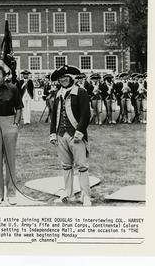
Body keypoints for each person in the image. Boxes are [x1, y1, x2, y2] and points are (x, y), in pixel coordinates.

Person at [50, 65, 92, 206]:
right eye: (61, 78)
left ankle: (85, 195)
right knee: (66, 166)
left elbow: (86, 114)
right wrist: (52, 133)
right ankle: (69, 194)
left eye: (66, 77)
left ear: (71, 78)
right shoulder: (58, 94)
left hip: (76, 134)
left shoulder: (81, 92)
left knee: (82, 166)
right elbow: (54, 115)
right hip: (61, 134)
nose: (63, 80)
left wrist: (79, 132)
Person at [0, 64, 24, 206]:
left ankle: (11, 193)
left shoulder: (13, 88)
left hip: (10, 124)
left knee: (10, 160)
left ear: (3, 76)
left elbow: (19, 107)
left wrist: (15, 123)